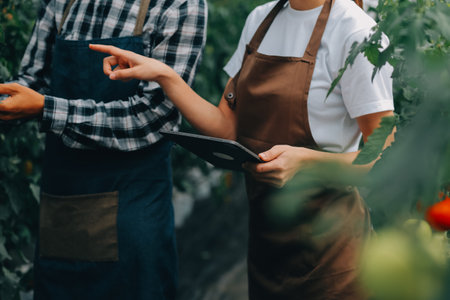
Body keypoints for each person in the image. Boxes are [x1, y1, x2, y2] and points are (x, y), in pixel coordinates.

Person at [89, 0, 396, 299]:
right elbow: (228, 127)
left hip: (332, 258)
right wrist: (165, 76)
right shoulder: (261, 20)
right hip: (267, 248)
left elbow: (385, 158)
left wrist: (305, 163)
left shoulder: (358, 33)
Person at [0, 0, 206, 299]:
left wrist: (48, 109)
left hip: (132, 207)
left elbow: (152, 117)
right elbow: (34, 79)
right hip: (63, 204)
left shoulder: (179, 5)